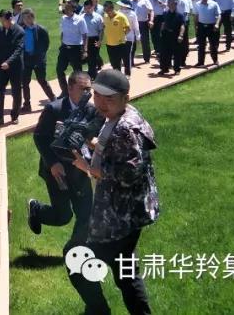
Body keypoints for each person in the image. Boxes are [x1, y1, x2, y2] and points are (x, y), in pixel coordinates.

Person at [68, 70, 159, 315]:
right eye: (97, 95)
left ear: (125, 98)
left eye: (109, 98)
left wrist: (88, 168)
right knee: (126, 274)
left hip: (119, 217)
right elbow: (116, 152)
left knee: (75, 258)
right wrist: (90, 143)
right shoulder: (119, 116)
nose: (100, 102)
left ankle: (98, 311)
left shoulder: (126, 127)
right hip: (128, 214)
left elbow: (129, 173)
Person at [27, 72, 98, 245]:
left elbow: (94, 137)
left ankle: (75, 251)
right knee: (63, 216)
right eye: (83, 89)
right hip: (58, 171)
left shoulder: (92, 110)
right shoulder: (54, 109)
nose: (87, 93)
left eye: (89, 89)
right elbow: (39, 137)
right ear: (70, 88)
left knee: (86, 214)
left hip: (80, 170)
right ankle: (36, 209)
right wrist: (53, 163)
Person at [0, 10, 25, 127]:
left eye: (3, 20)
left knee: (16, 91)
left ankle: (15, 115)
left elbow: (18, 50)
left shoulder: (19, 31)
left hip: (15, 66)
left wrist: (8, 62)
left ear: (9, 19)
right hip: (2, 66)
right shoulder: (0, 30)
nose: (1, 23)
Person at [19, 8, 57, 111]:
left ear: (32, 17)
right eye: (24, 18)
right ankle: (27, 104)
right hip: (26, 60)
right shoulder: (21, 29)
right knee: (25, 83)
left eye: (27, 18)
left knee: (42, 81)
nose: (25, 20)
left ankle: (53, 100)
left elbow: (45, 46)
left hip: (38, 61)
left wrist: (38, 58)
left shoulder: (41, 30)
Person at [56, 1, 89, 96]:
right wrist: (62, 43)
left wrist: (85, 50)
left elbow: (85, 35)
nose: (65, 10)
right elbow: (63, 32)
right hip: (64, 48)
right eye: (65, 8)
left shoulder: (80, 20)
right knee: (59, 70)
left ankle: (80, 92)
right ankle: (65, 91)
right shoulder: (63, 18)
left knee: (77, 73)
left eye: (67, 8)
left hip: (76, 49)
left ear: (73, 9)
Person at [156, 0, 185, 76]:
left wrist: (181, 35)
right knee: (164, 53)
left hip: (175, 35)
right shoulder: (165, 13)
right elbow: (163, 23)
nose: (171, 5)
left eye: (172, 3)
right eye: (169, 3)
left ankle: (177, 69)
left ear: (176, 4)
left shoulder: (180, 15)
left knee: (176, 53)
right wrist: (161, 32)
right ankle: (164, 69)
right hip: (166, 35)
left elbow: (182, 26)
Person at [191, 0, 221, 68]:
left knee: (213, 45)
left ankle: (215, 60)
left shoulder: (214, 4)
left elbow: (218, 15)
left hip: (211, 26)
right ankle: (200, 62)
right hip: (201, 26)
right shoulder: (197, 4)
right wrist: (196, 27)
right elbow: (196, 16)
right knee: (201, 45)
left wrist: (217, 24)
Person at [102, 0, 132, 75]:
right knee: (113, 62)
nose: (107, 12)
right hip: (109, 43)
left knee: (125, 60)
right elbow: (104, 26)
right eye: (105, 11)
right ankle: (118, 75)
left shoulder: (121, 16)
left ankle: (127, 74)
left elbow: (128, 28)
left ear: (112, 8)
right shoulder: (105, 16)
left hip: (120, 43)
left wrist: (122, 35)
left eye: (108, 10)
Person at [128, 0, 153, 66]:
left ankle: (147, 58)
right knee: (132, 42)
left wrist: (151, 20)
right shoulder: (129, 2)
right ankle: (131, 60)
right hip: (132, 24)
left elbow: (151, 11)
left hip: (143, 23)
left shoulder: (145, 1)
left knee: (145, 41)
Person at [144, 0, 167, 64]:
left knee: (160, 34)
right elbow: (146, 5)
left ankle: (160, 50)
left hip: (161, 17)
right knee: (153, 34)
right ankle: (157, 49)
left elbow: (168, 5)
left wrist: (162, 4)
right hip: (152, 17)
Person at [81, 0, 105, 78]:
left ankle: (93, 75)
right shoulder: (81, 17)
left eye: (88, 8)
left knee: (92, 59)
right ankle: (96, 67)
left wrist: (100, 41)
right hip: (84, 40)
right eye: (85, 8)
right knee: (86, 58)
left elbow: (101, 30)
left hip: (94, 39)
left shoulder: (98, 17)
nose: (87, 10)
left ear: (92, 7)